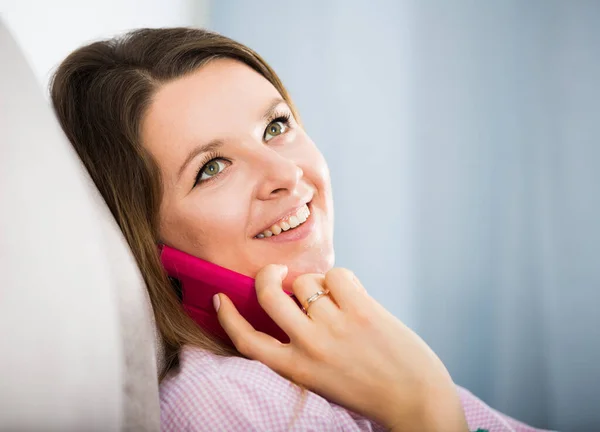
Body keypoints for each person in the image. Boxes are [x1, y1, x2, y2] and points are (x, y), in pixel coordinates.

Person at [50, 27, 550, 432]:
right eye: (213, 167)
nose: (286, 174)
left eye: (275, 127)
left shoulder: (342, 360)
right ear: (147, 242)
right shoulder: (225, 403)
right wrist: (424, 409)